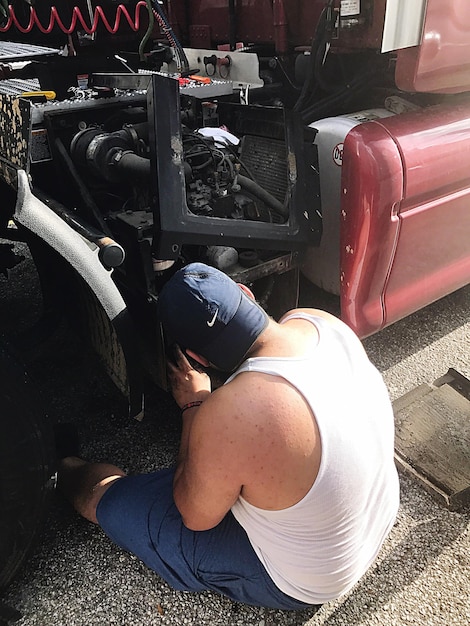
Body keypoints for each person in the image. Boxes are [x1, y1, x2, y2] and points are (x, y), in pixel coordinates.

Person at [58, 262, 400, 610]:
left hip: (314, 580)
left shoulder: (234, 412)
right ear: (245, 292)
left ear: (196, 357)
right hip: (377, 516)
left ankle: (59, 469)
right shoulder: (317, 321)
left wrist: (194, 406)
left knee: (107, 500)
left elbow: (195, 517)